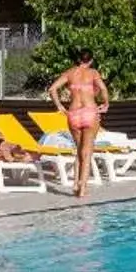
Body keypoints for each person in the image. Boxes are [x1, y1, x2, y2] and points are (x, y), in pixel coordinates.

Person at [48, 55, 111, 197]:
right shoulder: (93, 73)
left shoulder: (70, 73)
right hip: (89, 112)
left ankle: (76, 183)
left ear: (78, 60)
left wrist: (59, 106)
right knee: (87, 152)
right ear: (91, 60)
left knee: (79, 150)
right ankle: (83, 187)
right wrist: (106, 103)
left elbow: (52, 89)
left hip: (74, 113)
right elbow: (103, 89)